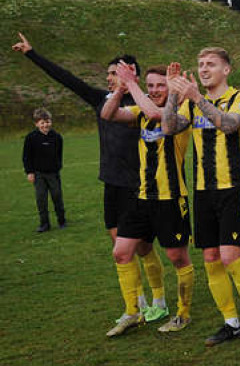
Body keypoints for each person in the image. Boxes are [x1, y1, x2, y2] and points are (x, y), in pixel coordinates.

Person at [12, 33, 168, 325]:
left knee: (144, 248)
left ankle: (159, 300)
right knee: (119, 247)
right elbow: (66, 79)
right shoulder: (101, 99)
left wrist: (131, 88)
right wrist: (31, 54)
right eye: (108, 74)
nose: (110, 78)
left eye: (115, 73)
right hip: (110, 182)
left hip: (138, 185)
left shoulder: (143, 103)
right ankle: (137, 302)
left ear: (130, 73)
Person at [162, 49, 240, 349]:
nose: (204, 69)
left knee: (230, 257)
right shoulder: (194, 104)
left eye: (211, 64)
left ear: (227, 70)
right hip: (203, 190)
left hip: (234, 187)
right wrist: (172, 95)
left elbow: (229, 124)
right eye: (201, 64)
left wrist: (196, 97)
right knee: (210, 259)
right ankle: (231, 323)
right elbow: (168, 128)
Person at [101, 64, 195, 335]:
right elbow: (108, 114)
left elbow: (158, 115)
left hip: (171, 197)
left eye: (160, 85)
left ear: (171, 88)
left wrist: (132, 84)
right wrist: (120, 89)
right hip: (142, 197)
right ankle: (132, 312)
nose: (154, 90)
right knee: (121, 252)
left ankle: (183, 314)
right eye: (150, 85)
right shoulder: (140, 110)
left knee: (177, 257)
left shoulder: (182, 110)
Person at [22, 107, 65, 233]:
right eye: (42, 122)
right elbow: (26, 156)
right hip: (38, 174)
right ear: (36, 124)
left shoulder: (57, 137)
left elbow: (59, 154)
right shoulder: (31, 138)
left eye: (48, 122)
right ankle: (44, 224)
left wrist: (57, 167)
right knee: (41, 199)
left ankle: (61, 221)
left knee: (57, 196)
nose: (46, 125)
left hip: (53, 173)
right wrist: (29, 172)